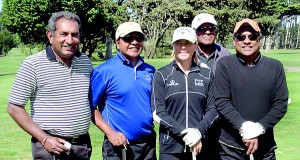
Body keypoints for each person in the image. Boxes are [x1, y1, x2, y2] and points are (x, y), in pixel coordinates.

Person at [7, 11, 93, 159]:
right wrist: (44, 139)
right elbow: (14, 107)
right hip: (49, 147)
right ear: (50, 35)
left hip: (81, 146)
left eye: (75, 34)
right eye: (63, 34)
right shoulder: (32, 65)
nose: (70, 40)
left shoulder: (85, 62)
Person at [214, 18, 289, 160]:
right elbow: (221, 101)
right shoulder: (224, 65)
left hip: (265, 147)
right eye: (241, 37)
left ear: (259, 39)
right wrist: (245, 129)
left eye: (252, 36)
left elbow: (280, 103)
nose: (247, 41)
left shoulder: (275, 66)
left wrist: (260, 128)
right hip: (230, 149)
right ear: (234, 40)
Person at [89, 22, 156, 160]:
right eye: (128, 38)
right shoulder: (104, 71)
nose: (134, 42)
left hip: (147, 145)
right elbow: (90, 107)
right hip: (119, 147)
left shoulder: (150, 70)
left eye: (139, 38)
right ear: (117, 43)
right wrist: (110, 132)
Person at [151, 27, 217, 160]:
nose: (183, 47)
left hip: (201, 145)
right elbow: (158, 113)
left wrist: (198, 132)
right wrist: (185, 133)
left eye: (187, 43)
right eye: (178, 43)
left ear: (195, 46)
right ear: (173, 46)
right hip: (171, 148)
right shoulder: (162, 74)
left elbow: (213, 109)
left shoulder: (206, 74)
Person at [191, 13, 231, 159]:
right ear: (194, 32)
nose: (207, 31)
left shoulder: (225, 54)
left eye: (211, 28)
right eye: (202, 28)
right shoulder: (188, 53)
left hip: (222, 122)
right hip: (197, 121)